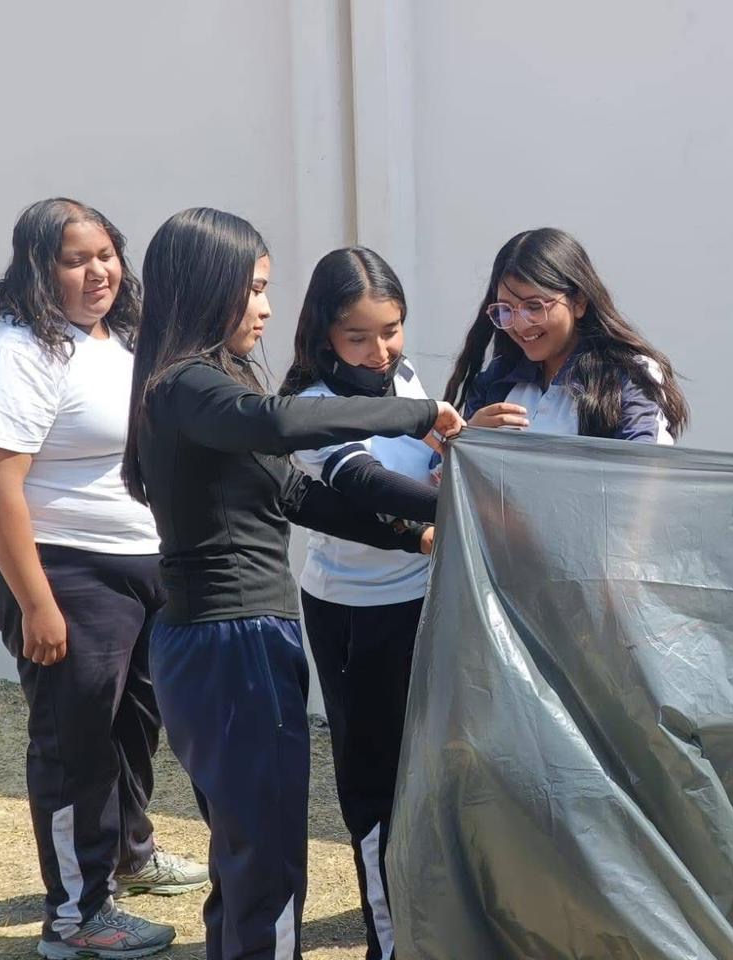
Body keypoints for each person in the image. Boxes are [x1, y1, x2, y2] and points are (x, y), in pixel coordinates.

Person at [121, 208, 463, 960]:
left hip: (238, 638)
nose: (267, 308)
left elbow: (297, 495)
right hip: (229, 639)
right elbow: (279, 424)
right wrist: (418, 415)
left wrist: (417, 534)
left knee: (250, 855)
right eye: (253, 288)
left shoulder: (213, 383)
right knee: (267, 861)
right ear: (207, 286)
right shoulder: (188, 387)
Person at [0, 198, 205, 960]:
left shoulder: (117, 339)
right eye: (75, 260)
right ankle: (75, 919)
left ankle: (128, 859)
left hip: (141, 568)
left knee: (134, 728)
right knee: (74, 742)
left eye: (105, 254)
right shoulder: (18, 351)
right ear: (38, 269)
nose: (98, 271)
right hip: (65, 572)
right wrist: (36, 603)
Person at [279, 247, 438, 960]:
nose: (380, 351)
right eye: (359, 337)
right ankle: (390, 943)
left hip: (428, 599)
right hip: (357, 614)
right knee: (375, 785)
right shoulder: (312, 407)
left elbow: (427, 458)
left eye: (392, 330)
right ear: (324, 334)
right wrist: (458, 508)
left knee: (426, 775)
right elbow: (364, 481)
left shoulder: (403, 377)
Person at [444, 227, 687, 443]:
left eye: (534, 306)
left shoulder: (628, 376)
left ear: (579, 301)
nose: (519, 325)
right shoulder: (496, 380)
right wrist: (468, 440)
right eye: (506, 309)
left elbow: (644, 469)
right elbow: (440, 472)